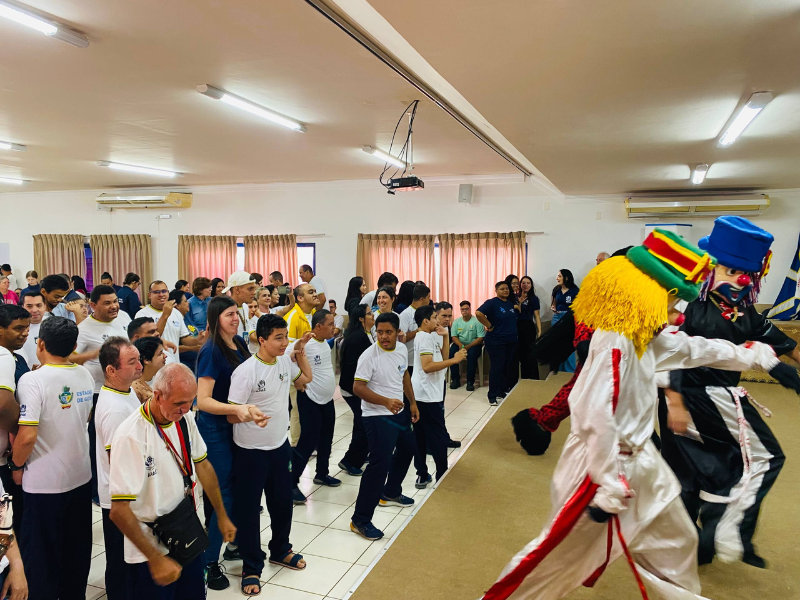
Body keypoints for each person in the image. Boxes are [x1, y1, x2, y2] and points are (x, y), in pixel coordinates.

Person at [482, 231, 800, 600]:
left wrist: (760, 357)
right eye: (673, 300)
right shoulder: (614, 343)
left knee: (678, 543)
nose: (679, 312)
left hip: (641, 461)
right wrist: (608, 485)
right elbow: (594, 416)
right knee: (556, 557)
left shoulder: (642, 335)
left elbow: (692, 348)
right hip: (600, 468)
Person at [661, 217, 800, 568]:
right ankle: (722, 532)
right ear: (711, 267)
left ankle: (701, 542)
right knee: (760, 457)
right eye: (731, 270)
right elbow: (669, 352)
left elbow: (786, 345)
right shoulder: (688, 305)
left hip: (718, 396)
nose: (741, 279)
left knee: (710, 471)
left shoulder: (744, 313)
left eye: (747, 273)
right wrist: (675, 402)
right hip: (691, 396)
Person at [108, 364, 236, 599]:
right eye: (179, 403)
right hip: (150, 547)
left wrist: (221, 515)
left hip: (186, 534)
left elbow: (203, 466)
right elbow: (118, 511)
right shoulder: (130, 436)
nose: (186, 408)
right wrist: (155, 559)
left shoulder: (184, 419)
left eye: (191, 401)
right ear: (158, 396)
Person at [13, 316, 94, 600]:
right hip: (80, 475)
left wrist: (15, 465)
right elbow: (85, 417)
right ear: (73, 346)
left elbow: (27, 436)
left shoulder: (32, 380)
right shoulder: (84, 375)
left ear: (41, 344)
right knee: (76, 550)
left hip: (44, 482)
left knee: (41, 554)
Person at [229, 315, 311, 594]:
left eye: (285, 336)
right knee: (250, 511)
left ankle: (281, 549)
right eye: (278, 338)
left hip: (280, 447)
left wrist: (299, 351)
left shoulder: (285, 362)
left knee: (282, 503)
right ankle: (251, 566)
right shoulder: (246, 372)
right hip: (250, 452)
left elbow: (305, 380)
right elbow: (231, 415)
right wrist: (250, 415)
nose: (284, 342)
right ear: (261, 340)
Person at [195, 296, 257, 590]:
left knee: (238, 486)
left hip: (236, 425)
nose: (235, 318)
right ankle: (208, 562)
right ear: (215, 318)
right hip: (215, 429)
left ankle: (232, 543)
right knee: (224, 495)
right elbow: (203, 401)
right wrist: (237, 409)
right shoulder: (211, 351)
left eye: (236, 313)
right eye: (229, 314)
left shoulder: (239, 343)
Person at [350, 312, 418, 541]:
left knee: (408, 448)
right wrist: (385, 401)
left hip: (398, 411)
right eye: (379, 332)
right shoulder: (369, 356)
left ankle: (390, 492)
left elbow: (404, 374)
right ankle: (360, 520)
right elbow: (358, 388)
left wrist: (412, 402)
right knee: (379, 466)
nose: (384, 337)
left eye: (388, 332)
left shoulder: (401, 349)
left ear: (398, 332)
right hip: (376, 415)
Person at [73, 284, 133, 505]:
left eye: (115, 301)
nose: (114, 306)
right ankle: (98, 489)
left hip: (125, 389)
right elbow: (70, 357)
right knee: (100, 443)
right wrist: (95, 354)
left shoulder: (123, 318)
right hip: (98, 393)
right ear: (93, 305)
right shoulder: (84, 329)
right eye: (107, 303)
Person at [94, 337, 143, 600]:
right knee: (121, 562)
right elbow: (118, 462)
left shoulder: (126, 391)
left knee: (132, 561)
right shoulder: (113, 409)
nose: (140, 366)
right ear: (111, 370)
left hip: (132, 493)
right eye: (132, 362)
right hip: (120, 498)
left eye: (138, 359)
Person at [411, 306, 466, 489]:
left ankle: (423, 474)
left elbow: (442, 358)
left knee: (422, 434)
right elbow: (427, 366)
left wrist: (445, 336)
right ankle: (440, 474)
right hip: (426, 395)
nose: (438, 320)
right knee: (437, 436)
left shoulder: (428, 336)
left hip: (428, 392)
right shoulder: (424, 337)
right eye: (435, 317)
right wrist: (455, 360)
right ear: (425, 321)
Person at [291, 310, 340, 505]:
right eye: (330, 324)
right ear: (318, 326)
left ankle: (322, 473)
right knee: (308, 441)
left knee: (327, 436)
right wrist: (298, 382)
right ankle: (291, 482)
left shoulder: (325, 343)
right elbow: (290, 358)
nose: (333, 328)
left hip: (326, 399)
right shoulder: (307, 345)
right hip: (309, 399)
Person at [0, 304, 30, 535]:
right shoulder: (3, 356)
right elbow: (3, 404)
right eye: (18, 328)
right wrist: (19, 431)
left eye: (27, 327)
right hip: (5, 455)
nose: (25, 333)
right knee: (11, 524)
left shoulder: (16, 357)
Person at [337, 305, 375, 476]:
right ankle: (350, 460)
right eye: (369, 313)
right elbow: (352, 368)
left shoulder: (365, 334)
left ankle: (359, 455)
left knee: (362, 423)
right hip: (353, 389)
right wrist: (362, 389)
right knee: (363, 425)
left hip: (357, 388)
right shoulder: (357, 338)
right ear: (361, 318)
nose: (372, 315)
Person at [136, 281, 199, 364]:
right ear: (149, 295)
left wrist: (198, 340)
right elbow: (152, 339)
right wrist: (165, 315)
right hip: (155, 366)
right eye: (156, 292)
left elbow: (184, 338)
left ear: (168, 293)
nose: (161, 294)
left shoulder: (176, 313)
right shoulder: (142, 314)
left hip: (174, 363)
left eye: (164, 291)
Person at [476, 282, 519, 405]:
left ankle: (501, 391)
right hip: (496, 340)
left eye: (507, 289)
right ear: (496, 290)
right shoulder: (492, 303)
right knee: (497, 367)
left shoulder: (509, 303)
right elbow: (478, 313)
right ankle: (492, 395)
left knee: (505, 366)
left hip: (510, 340)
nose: (505, 290)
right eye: (502, 289)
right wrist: (489, 325)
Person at [450, 301, 485, 392]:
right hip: (460, 344)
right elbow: (454, 336)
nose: (464, 311)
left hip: (474, 345)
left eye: (466, 309)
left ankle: (470, 382)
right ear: (460, 310)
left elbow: (480, 338)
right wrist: (460, 345)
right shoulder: (456, 322)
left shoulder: (477, 321)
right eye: (462, 309)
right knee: (451, 353)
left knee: (472, 356)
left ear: (470, 309)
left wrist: (468, 346)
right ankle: (455, 380)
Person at [170, 290, 206, 373]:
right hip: (184, 363)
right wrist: (193, 348)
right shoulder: (172, 323)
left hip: (196, 360)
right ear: (177, 305)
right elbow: (173, 347)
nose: (188, 303)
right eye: (185, 301)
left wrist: (199, 339)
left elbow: (193, 336)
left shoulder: (186, 317)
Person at [399, 284, 431, 369]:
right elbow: (402, 338)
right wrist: (418, 330)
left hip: (424, 358)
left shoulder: (427, 313)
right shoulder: (406, 315)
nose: (430, 300)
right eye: (428, 297)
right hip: (410, 361)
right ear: (421, 299)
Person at [517, 275, 542, 380]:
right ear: (520, 284)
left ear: (531, 285)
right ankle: (524, 379)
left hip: (528, 327)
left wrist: (539, 331)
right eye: (523, 283)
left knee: (530, 354)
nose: (525, 285)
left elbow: (537, 316)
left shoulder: (534, 299)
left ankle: (534, 379)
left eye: (528, 283)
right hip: (516, 327)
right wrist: (519, 302)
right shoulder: (515, 297)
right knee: (521, 355)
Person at [132, 337, 167, 404]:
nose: (165, 356)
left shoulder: (161, 380)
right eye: (160, 353)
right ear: (146, 360)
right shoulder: (135, 388)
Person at [20, 291, 44, 369]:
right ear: (23, 307)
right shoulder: (15, 329)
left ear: (45, 306)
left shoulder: (53, 325)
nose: (34, 310)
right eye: (29, 306)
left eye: (38, 305)